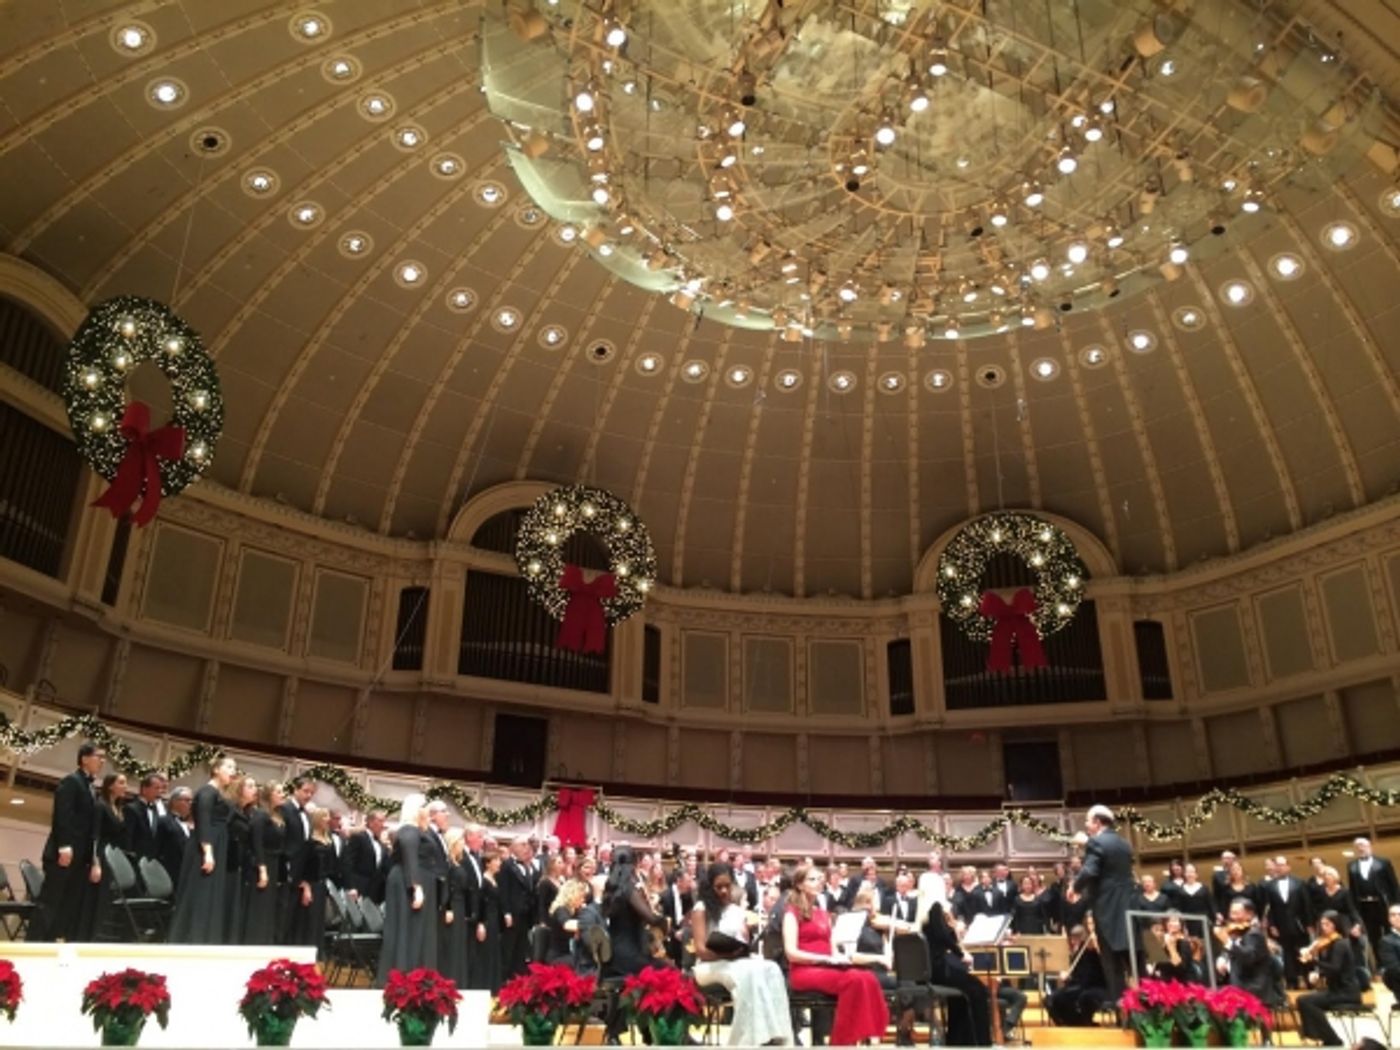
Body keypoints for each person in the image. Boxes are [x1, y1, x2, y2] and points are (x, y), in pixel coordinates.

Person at [783, 863, 889, 1046]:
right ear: (800, 885)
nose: (818, 883)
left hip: (826, 967)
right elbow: (791, 953)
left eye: (819, 879)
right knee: (854, 980)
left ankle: (864, 1037)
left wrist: (838, 959)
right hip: (803, 971)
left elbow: (832, 948)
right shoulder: (791, 913)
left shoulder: (823, 914)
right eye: (812, 879)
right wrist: (823, 959)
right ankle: (841, 1043)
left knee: (867, 977)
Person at [691, 862, 794, 1046]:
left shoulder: (735, 910)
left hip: (732, 961)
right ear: (709, 887)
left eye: (727, 886)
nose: (723, 891)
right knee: (749, 973)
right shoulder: (701, 908)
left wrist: (744, 944)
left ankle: (777, 1034)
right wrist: (728, 956)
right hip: (707, 966)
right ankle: (746, 1041)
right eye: (718, 887)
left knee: (771, 968)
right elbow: (700, 950)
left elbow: (742, 944)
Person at [36, 741, 104, 941]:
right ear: (84, 759)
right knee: (51, 902)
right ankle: (36, 943)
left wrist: (93, 859)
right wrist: (64, 845)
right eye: (98, 756)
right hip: (64, 853)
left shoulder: (89, 786)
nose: (102, 761)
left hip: (79, 856)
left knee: (67, 904)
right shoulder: (71, 781)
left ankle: (52, 944)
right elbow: (62, 816)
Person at [169, 755, 238, 943]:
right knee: (200, 892)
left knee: (210, 893)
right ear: (216, 769)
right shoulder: (207, 792)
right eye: (229, 767)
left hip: (216, 843)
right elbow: (204, 823)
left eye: (234, 767)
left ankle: (206, 936)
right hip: (205, 846)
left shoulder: (219, 793)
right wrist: (208, 853)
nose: (233, 771)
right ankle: (192, 937)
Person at [1072, 804, 1135, 1001]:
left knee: (1112, 965)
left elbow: (1090, 871)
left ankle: (1122, 1012)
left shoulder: (1096, 843)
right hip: (1129, 909)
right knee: (1134, 962)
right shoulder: (1125, 844)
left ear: (1098, 823)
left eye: (1088, 822)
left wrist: (1074, 887)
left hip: (1108, 912)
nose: (1086, 825)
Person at [376, 794, 439, 986]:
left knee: (416, 928)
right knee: (407, 927)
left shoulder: (419, 830)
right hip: (407, 882)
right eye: (425, 808)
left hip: (413, 879)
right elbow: (410, 857)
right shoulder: (408, 830)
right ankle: (404, 974)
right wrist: (416, 886)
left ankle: (414, 973)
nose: (429, 812)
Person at [918, 890, 991, 1045]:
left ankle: (959, 1041)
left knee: (961, 996)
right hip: (939, 968)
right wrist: (960, 954)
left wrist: (953, 927)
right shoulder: (935, 907)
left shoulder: (923, 910)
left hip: (930, 969)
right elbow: (941, 936)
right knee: (978, 989)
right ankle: (982, 1043)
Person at [1297, 911, 1362, 1046]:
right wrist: (1319, 974)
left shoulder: (1341, 943)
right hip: (1335, 990)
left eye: (1327, 924)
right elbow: (1332, 969)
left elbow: (1335, 968)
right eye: (1322, 924)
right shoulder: (1330, 944)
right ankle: (1322, 1037)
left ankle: (1330, 1039)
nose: (1324, 927)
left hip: (1346, 992)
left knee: (1306, 1002)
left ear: (1336, 925)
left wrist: (1313, 961)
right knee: (1303, 1000)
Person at [1215, 898, 1281, 1009]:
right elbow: (1232, 951)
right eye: (1231, 913)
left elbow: (1248, 957)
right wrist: (1223, 958)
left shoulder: (1254, 934)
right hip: (1239, 985)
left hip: (1253, 989)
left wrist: (1227, 942)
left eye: (1236, 913)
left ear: (1249, 915)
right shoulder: (1236, 933)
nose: (1232, 917)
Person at [243, 781, 285, 945]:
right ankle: (253, 941)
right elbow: (257, 843)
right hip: (262, 864)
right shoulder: (261, 815)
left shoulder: (278, 815)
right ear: (270, 795)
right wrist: (262, 869)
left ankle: (265, 941)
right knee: (259, 905)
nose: (283, 795)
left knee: (268, 907)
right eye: (279, 792)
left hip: (273, 864)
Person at [290, 806, 336, 956]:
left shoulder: (329, 840)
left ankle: (317, 952)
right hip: (310, 884)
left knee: (318, 921)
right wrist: (305, 887)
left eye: (328, 816)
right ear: (317, 819)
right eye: (324, 816)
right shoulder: (310, 841)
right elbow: (302, 866)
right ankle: (303, 953)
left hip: (322, 885)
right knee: (307, 920)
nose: (328, 819)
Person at [1264, 856, 1315, 989]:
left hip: (1299, 924)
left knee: (1303, 951)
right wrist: (1272, 925)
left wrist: (1309, 924)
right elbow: (1270, 908)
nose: (1279, 868)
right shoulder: (1270, 886)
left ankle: (1308, 978)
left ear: (1288, 867)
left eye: (1282, 865)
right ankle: (1291, 981)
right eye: (1277, 865)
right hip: (1280, 925)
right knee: (1287, 954)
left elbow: (1307, 904)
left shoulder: (1299, 883)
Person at [1046, 921, 1109, 1027]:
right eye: (1072, 938)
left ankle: (1080, 1023)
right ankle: (1068, 1023)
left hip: (1090, 985)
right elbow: (1076, 973)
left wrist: (1070, 978)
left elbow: (1089, 975)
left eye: (1075, 938)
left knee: (1060, 997)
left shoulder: (1090, 950)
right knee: (1050, 999)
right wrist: (1068, 975)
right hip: (1078, 985)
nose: (1072, 941)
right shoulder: (1077, 952)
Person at [91, 772, 129, 941]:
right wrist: (95, 863)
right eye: (121, 782)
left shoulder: (118, 808)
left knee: (105, 900)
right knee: (97, 900)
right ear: (110, 785)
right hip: (100, 856)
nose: (125, 786)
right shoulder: (101, 806)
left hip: (111, 856)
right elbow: (95, 836)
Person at [1348, 838, 1398, 965]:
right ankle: (1380, 965)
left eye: (1363, 845)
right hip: (1365, 906)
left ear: (1369, 846)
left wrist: (1396, 905)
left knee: (1389, 933)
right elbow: (1353, 890)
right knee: (1373, 937)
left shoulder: (1383, 862)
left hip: (1384, 904)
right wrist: (1355, 911)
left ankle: (1393, 963)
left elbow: (1393, 885)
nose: (1361, 848)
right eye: (1358, 846)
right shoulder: (1351, 866)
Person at [224, 774, 256, 943]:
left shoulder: (249, 812)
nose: (254, 790)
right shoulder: (230, 808)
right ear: (239, 789)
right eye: (250, 786)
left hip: (242, 865)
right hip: (228, 863)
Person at [468, 847, 504, 993]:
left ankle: (494, 987)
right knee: (485, 953)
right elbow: (480, 902)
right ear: (488, 863)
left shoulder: (494, 879)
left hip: (494, 919)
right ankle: (483, 986)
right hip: (487, 919)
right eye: (496, 860)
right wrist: (481, 924)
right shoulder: (483, 880)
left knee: (493, 952)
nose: (499, 863)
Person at [346, 809, 390, 905]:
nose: (383, 825)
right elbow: (348, 863)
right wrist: (351, 886)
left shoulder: (381, 844)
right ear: (370, 822)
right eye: (380, 821)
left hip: (375, 891)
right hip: (359, 887)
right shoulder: (358, 838)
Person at [157, 786, 193, 891]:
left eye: (191, 800)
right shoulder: (164, 821)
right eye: (186, 800)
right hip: (171, 870)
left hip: (186, 869)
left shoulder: (187, 824)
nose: (190, 803)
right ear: (174, 801)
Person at [122, 773, 165, 861]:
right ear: (144, 789)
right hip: (135, 859)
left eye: (161, 788)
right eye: (156, 788)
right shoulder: (131, 808)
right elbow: (127, 837)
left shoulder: (156, 809)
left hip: (151, 861)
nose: (160, 792)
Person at [1150, 911, 1199, 983]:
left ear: (1180, 925)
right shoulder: (1163, 942)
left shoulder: (1184, 943)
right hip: (1165, 982)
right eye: (1170, 921)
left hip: (1183, 983)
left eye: (1175, 921)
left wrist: (1172, 948)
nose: (1172, 923)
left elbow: (1181, 969)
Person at [1376, 904, 1400, 998]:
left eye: (1399, 914)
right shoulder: (1386, 941)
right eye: (1393, 915)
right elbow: (1394, 969)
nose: (1397, 917)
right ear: (1389, 919)